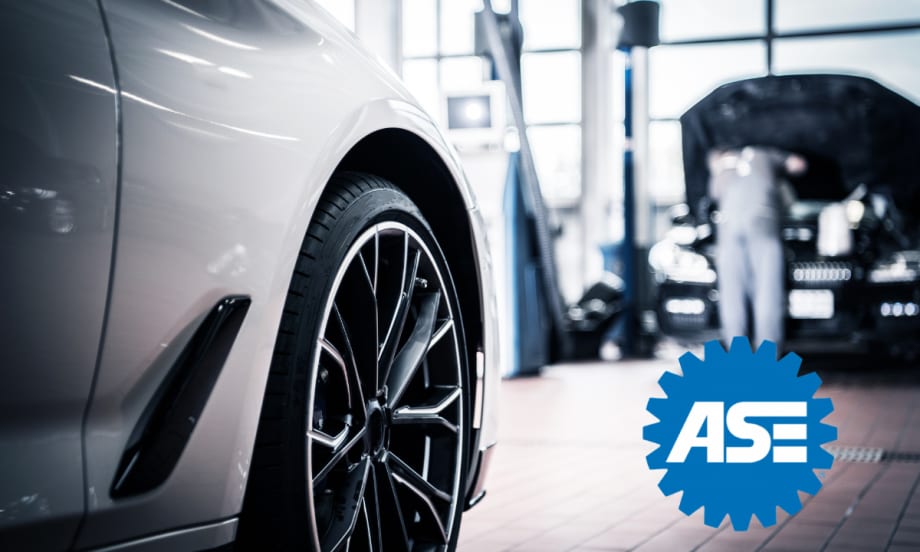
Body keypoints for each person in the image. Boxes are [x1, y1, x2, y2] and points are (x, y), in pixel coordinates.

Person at [708, 146, 807, 350]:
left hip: (728, 226)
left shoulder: (720, 162)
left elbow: (714, 194)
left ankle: (737, 356)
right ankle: (768, 357)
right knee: (767, 291)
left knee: (731, 295)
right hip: (762, 220)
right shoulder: (767, 153)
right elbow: (798, 165)